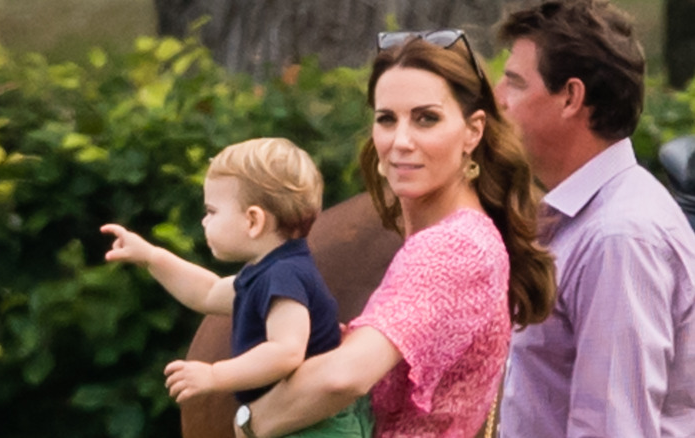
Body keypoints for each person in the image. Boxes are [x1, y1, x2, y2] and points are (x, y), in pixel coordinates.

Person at [234, 29, 557, 438]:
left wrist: (248, 423)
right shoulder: (459, 237)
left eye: (427, 119)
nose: (400, 141)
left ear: (473, 131)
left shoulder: (453, 247)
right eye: (387, 119)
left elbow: (343, 377)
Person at [494, 1, 695, 437]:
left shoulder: (619, 237)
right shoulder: (586, 220)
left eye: (514, 82)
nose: (498, 98)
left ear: (570, 97)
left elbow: (613, 428)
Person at [101, 137, 372, 437]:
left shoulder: (284, 276)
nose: (204, 222)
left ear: (253, 220)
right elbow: (207, 292)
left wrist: (215, 375)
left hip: (316, 427)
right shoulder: (268, 271)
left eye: (212, 211)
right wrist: (152, 257)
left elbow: (286, 352)